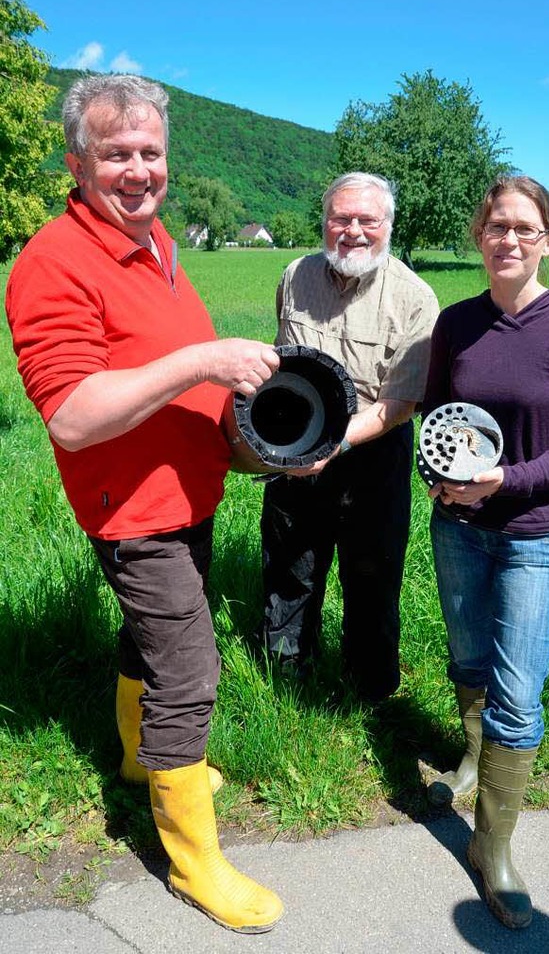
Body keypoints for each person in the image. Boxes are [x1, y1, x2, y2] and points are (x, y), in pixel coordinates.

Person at [5, 74, 284, 934]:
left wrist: (256, 442)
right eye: (116, 153)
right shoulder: (53, 260)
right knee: (189, 669)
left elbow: (171, 374)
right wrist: (203, 361)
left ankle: (135, 760)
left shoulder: (157, 244)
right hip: (132, 508)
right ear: (77, 161)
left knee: (146, 639)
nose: (138, 169)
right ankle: (192, 859)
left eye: (151, 153)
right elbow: (75, 414)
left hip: (188, 489)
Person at [422, 176, 549, 929]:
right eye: (497, 224)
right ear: (480, 234)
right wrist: (438, 480)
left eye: (525, 228)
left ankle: (491, 846)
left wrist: (508, 480)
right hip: (459, 529)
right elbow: (436, 415)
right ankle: (470, 760)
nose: (509, 238)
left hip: (536, 534)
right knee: (468, 657)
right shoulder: (456, 323)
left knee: (518, 691)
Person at [258, 172, 439, 702]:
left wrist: (332, 445)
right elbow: (281, 367)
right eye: (341, 218)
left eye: (367, 220)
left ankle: (372, 694)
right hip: (293, 447)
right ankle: (284, 685)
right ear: (324, 222)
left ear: (388, 225)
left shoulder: (415, 298)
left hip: (374, 455)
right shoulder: (294, 276)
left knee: (372, 578)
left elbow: (398, 404)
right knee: (290, 569)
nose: (353, 231)